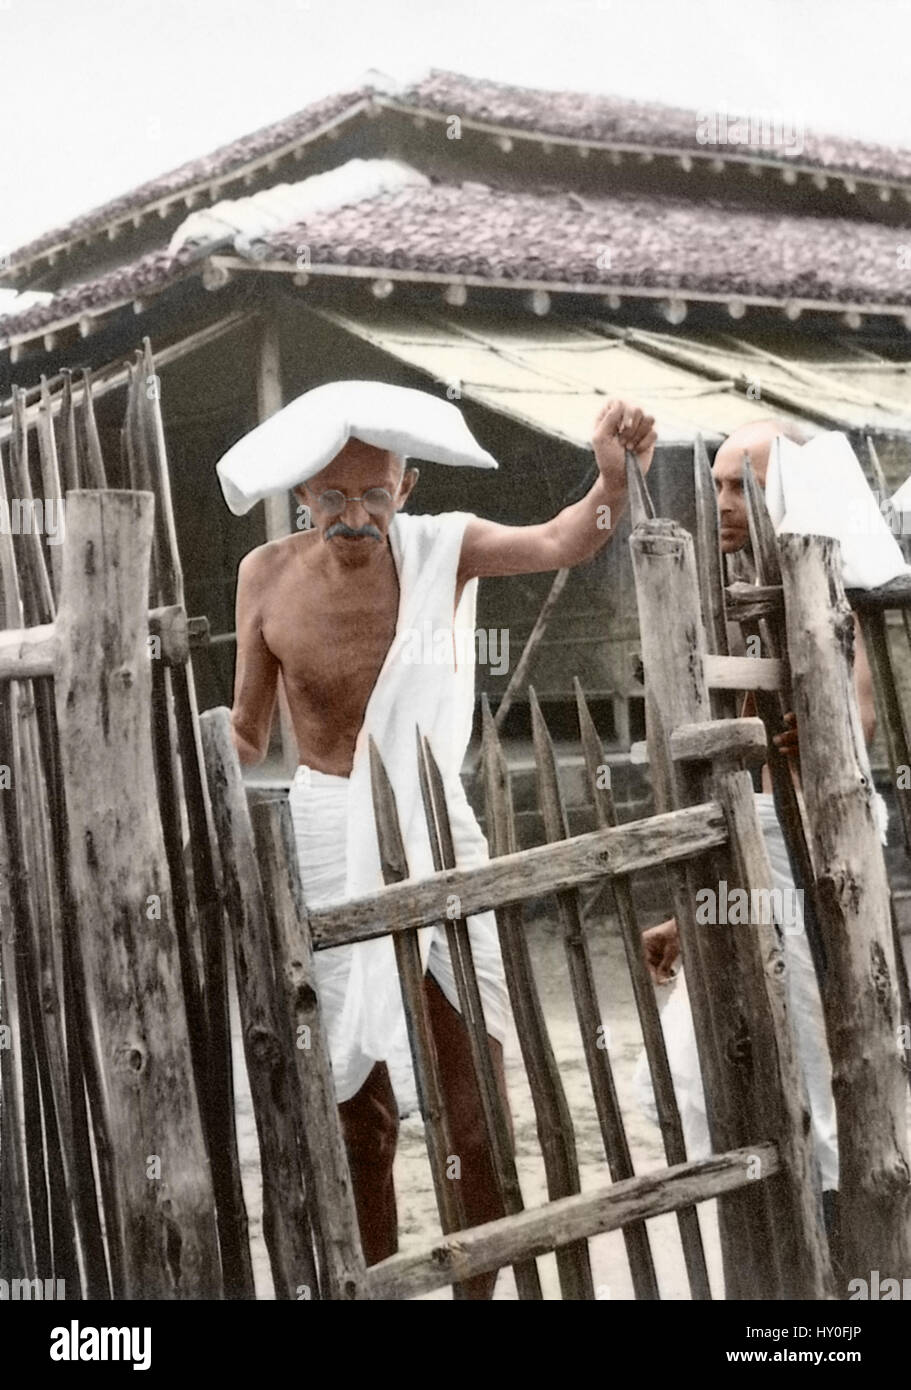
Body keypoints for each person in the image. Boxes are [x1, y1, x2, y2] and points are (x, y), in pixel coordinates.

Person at [223, 380, 656, 1295]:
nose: (354, 516)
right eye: (333, 497)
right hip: (320, 838)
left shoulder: (440, 548)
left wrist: (612, 478)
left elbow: (563, 538)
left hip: (431, 824)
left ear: (404, 489)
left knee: (475, 1103)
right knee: (352, 1111)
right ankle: (369, 1283)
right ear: (304, 493)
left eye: (373, 495)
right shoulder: (263, 575)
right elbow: (248, 733)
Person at [638, 417, 877, 1245]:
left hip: (816, 860)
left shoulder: (827, 602)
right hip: (757, 863)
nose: (723, 502)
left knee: (815, 1065)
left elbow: (845, 737)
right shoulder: (738, 607)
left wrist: (810, 740)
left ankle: (833, 1263)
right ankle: (778, 1255)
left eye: (743, 486)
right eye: (716, 484)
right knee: (707, 1069)